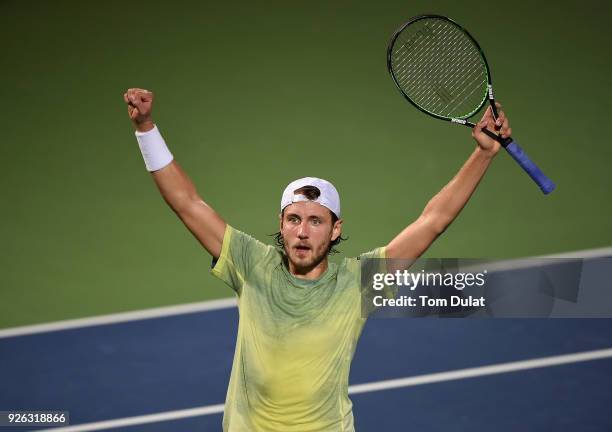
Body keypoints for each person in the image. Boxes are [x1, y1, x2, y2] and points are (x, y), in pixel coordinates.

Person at [123, 87, 511, 431]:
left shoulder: (358, 283)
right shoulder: (250, 264)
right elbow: (187, 203)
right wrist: (146, 128)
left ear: (335, 229)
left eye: (315, 221)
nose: (302, 232)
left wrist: (483, 154)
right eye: (293, 219)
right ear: (281, 223)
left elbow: (433, 221)